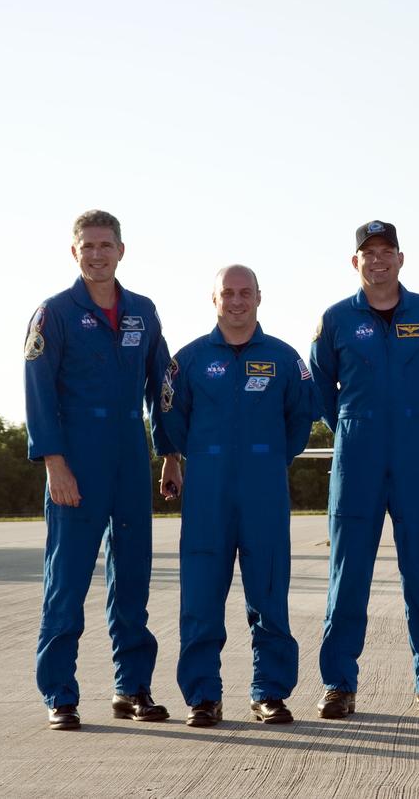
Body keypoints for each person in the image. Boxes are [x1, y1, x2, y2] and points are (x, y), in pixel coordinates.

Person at [24, 209, 179, 730]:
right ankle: (60, 694)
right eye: (87, 246)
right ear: (74, 252)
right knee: (66, 581)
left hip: (129, 455)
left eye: (105, 245)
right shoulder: (55, 313)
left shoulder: (143, 311)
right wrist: (54, 463)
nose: (96, 254)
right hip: (76, 457)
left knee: (133, 577)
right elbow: (39, 391)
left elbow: (163, 386)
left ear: (121, 250)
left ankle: (131, 687)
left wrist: (170, 453)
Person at [309, 221, 419, 719]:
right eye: (367, 253)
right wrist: (356, 427)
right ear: (356, 262)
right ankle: (338, 683)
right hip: (357, 458)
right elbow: (322, 389)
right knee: (348, 573)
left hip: (415, 456)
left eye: (386, 252)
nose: (377, 260)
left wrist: (417, 424)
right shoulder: (335, 319)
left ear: (401, 259)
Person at [161, 265, 320, 728]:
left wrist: (268, 460)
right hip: (206, 493)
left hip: (264, 491)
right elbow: (171, 419)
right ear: (213, 300)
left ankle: (268, 692)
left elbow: (301, 420)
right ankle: (203, 696)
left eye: (244, 292)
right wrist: (189, 460)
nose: (236, 301)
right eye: (227, 293)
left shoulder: (285, 358)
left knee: (269, 594)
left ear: (258, 297)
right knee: (201, 599)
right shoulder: (187, 361)